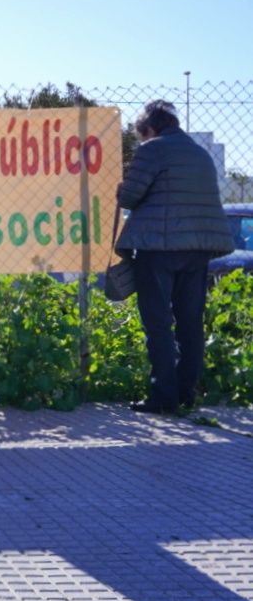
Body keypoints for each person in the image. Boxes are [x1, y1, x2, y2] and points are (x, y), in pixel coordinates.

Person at [116, 99, 235, 414]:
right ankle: (185, 393)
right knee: (190, 322)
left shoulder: (152, 149)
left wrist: (119, 188)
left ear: (150, 129)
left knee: (157, 323)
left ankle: (163, 396)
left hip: (159, 248)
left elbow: (130, 196)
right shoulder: (201, 154)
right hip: (197, 249)